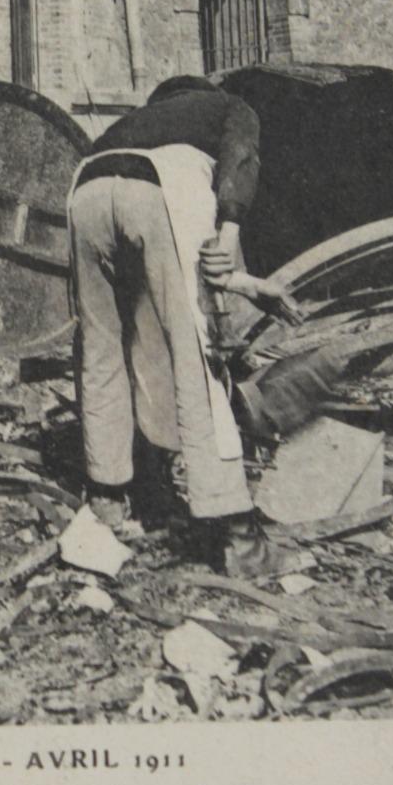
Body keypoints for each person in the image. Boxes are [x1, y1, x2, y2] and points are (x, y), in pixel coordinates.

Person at [68, 75, 298, 574]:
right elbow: (239, 164)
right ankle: (239, 537)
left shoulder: (130, 122)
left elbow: (148, 266)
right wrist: (228, 236)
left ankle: (107, 498)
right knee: (198, 354)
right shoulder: (228, 106)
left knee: (102, 346)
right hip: (161, 188)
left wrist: (241, 282)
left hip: (85, 189)